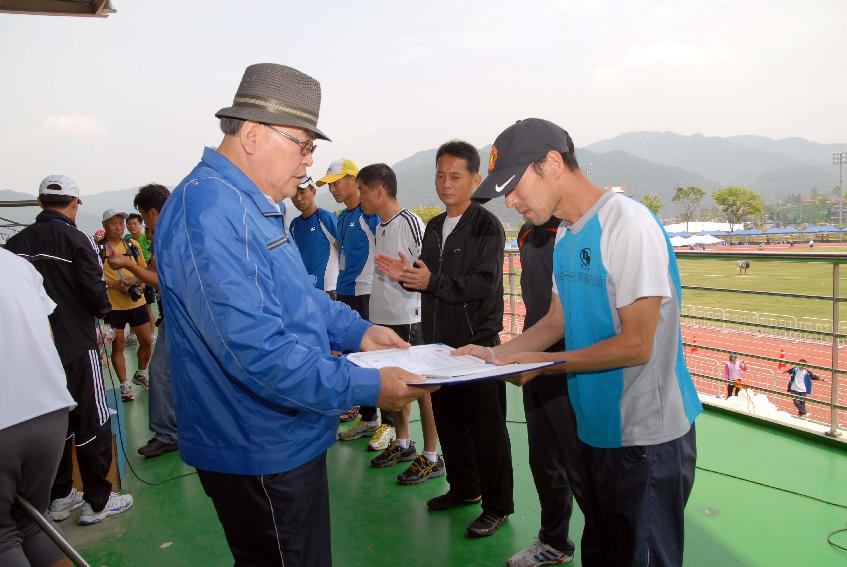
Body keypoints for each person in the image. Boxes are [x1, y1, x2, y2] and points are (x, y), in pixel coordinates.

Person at [154, 63, 426, 566]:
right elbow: (254, 352)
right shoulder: (209, 211)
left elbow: (300, 295)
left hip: (285, 433)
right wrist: (369, 387)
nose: (307, 165)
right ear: (253, 135)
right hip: (255, 442)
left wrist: (360, 331)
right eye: (302, 145)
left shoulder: (250, 204)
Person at [460, 118, 702, 566]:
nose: (510, 202)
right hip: (595, 430)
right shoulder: (568, 235)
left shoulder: (627, 224)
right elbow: (556, 320)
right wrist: (493, 355)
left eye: (514, 187)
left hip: (645, 437)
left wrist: (546, 366)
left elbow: (637, 344)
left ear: (552, 164)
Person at [383, 140, 513, 538]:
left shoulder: (485, 225)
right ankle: (464, 488)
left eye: (455, 176)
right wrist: (411, 276)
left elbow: (484, 284)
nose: (445, 183)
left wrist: (431, 280)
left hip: (476, 345)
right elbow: (429, 280)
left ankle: (497, 506)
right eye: (440, 175)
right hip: (440, 345)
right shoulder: (436, 226)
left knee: (487, 429)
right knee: (452, 423)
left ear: (476, 179)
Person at [5, 175, 133, 527]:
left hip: (35, 351)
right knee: (93, 419)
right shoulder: (77, 240)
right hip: (76, 343)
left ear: (40, 202)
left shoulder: (14, 245)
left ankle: (60, 496)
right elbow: (95, 294)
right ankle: (98, 501)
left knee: (55, 420)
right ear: (75, 203)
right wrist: (102, 317)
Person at [361, 163, 445, 484]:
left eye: (362, 190)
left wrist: (406, 274)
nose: (360, 196)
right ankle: (402, 442)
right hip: (384, 319)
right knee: (394, 383)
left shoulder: (409, 223)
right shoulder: (380, 226)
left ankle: (432, 455)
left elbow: (426, 271)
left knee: (422, 387)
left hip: (409, 318)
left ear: (378, 190)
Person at [505, 218, 581, 566]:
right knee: (542, 457)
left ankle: (609, 546)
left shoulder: (573, 232)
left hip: (568, 358)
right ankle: (554, 540)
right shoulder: (526, 231)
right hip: (534, 354)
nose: (513, 199)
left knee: (581, 462)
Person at [0, 248, 77, 565]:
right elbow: (47, 335)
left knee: (2, 536)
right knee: (32, 524)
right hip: (50, 409)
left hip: (4, 420)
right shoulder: (16, 264)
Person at [321, 158, 394, 451]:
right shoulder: (341, 217)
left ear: (355, 181)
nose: (334, 189)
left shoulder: (372, 216)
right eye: (330, 185)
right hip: (346, 291)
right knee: (354, 358)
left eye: (337, 182)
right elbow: (341, 252)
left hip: (368, 292)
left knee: (376, 357)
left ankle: (389, 425)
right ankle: (368, 418)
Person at [105, 184, 177, 458]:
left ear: (153, 212)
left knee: (159, 370)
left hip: (184, 314)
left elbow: (160, 278)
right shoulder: (170, 231)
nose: (141, 223)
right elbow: (152, 271)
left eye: (142, 217)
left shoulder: (169, 234)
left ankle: (169, 433)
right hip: (183, 313)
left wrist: (128, 265)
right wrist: (129, 272)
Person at [101, 209, 153, 401]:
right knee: (119, 346)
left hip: (136, 302)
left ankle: (141, 372)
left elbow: (143, 269)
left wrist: (136, 282)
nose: (119, 227)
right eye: (114, 223)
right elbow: (93, 277)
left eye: (121, 223)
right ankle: (124, 385)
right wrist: (116, 285)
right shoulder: (99, 249)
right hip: (113, 306)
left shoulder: (132, 245)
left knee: (147, 341)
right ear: (105, 225)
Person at [289, 176, 340, 297]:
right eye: (294, 194)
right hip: (307, 291)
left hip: (329, 289)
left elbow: (344, 250)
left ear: (313, 191)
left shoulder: (325, 218)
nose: (298, 198)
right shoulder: (294, 225)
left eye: (302, 192)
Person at [125, 212, 157, 341]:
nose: (132, 226)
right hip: (136, 276)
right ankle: (133, 333)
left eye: (135, 223)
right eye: (129, 223)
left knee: (147, 305)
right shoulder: (127, 239)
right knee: (135, 305)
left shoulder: (146, 238)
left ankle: (152, 332)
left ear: (140, 224)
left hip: (148, 275)